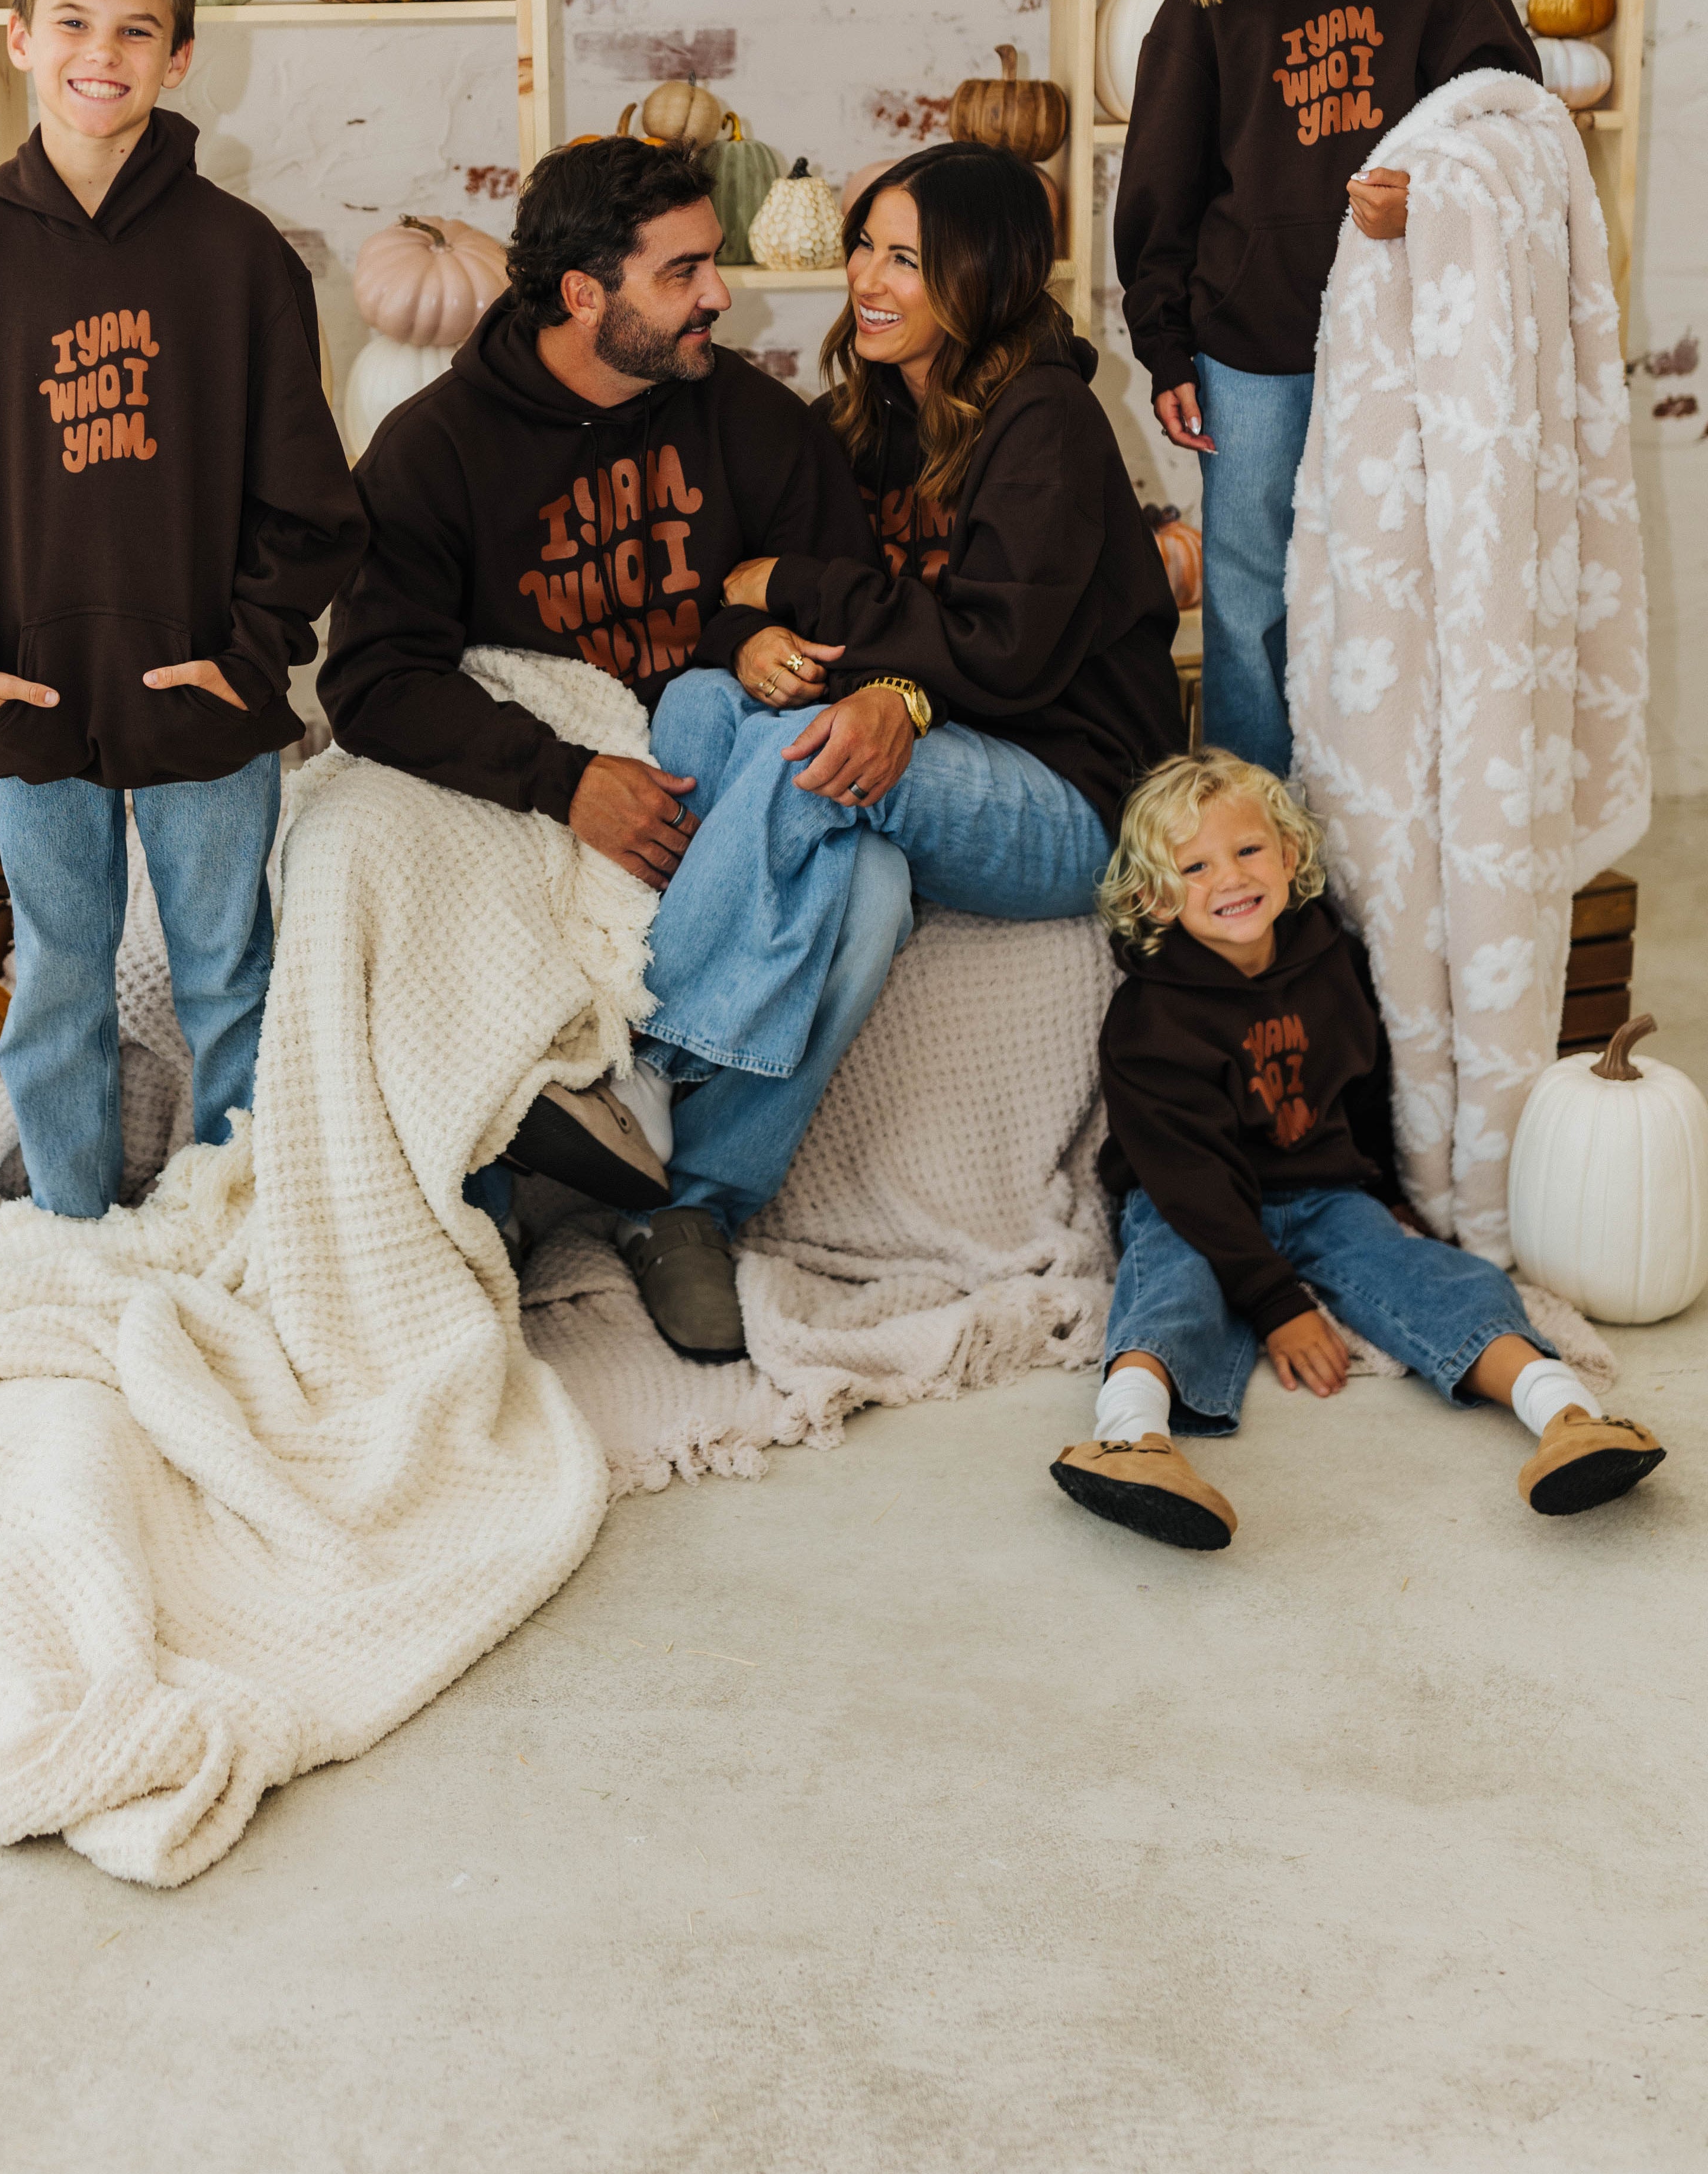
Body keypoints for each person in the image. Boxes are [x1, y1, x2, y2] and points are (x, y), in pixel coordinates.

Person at [317, 132, 899, 1356]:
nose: (719, 294)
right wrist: (567, 779)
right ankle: (483, 1173)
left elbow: (843, 590)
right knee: (378, 850)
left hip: (706, 763)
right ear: (586, 294)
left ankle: (690, 1204)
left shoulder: (744, 415)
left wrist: (747, 629)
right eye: (684, 271)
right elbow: (371, 679)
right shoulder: (436, 448)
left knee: (879, 882)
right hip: (547, 775)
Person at [619, 140, 1187, 1353]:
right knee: (730, 736)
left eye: (906, 259)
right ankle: (697, 1206)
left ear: (980, 274)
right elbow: (739, 585)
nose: (868, 279)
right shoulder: (867, 414)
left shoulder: (1050, 425)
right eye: (864, 246)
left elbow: (1002, 648)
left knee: (796, 760)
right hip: (939, 753)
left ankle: (635, 1058)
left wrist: (814, 599)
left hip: (1071, 794)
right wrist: (755, 631)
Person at [0, 0, 364, 1218]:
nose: (105, 52)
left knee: (227, 981)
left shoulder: (244, 258)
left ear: (182, 57)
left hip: (204, 695)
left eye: (139, 31)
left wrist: (250, 661)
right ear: (20, 38)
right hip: (28, 701)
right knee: (60, 983)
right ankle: (73, 1247)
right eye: (74, 21)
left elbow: (309, 504)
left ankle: (247, 1236)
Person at [1051, 747, 1668, 1551]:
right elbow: (1186, 1174)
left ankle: (1566, 1415)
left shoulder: (1329, 959)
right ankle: (1133, 1442)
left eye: (1246, 851)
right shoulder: (1148, 1019)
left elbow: (1363, 1083)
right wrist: (1277, 1305)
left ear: (1290, 854)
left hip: (1321, 1191)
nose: (1229, 878)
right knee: (1170, 1289)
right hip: (1189, 1203)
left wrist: (1389, 1187)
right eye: (1193, 866)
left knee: (1430, 1276)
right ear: (1152, 897)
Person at [1114, 0, 1541, 775]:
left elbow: (1515, 138)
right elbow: (1159, 188)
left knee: (1399, 580)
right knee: (1252, 590)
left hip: (1406, 347)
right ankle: (1259, 821)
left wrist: (1432, 199)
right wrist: (1165, 345)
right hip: (1250, 351)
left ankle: (1387, 816)